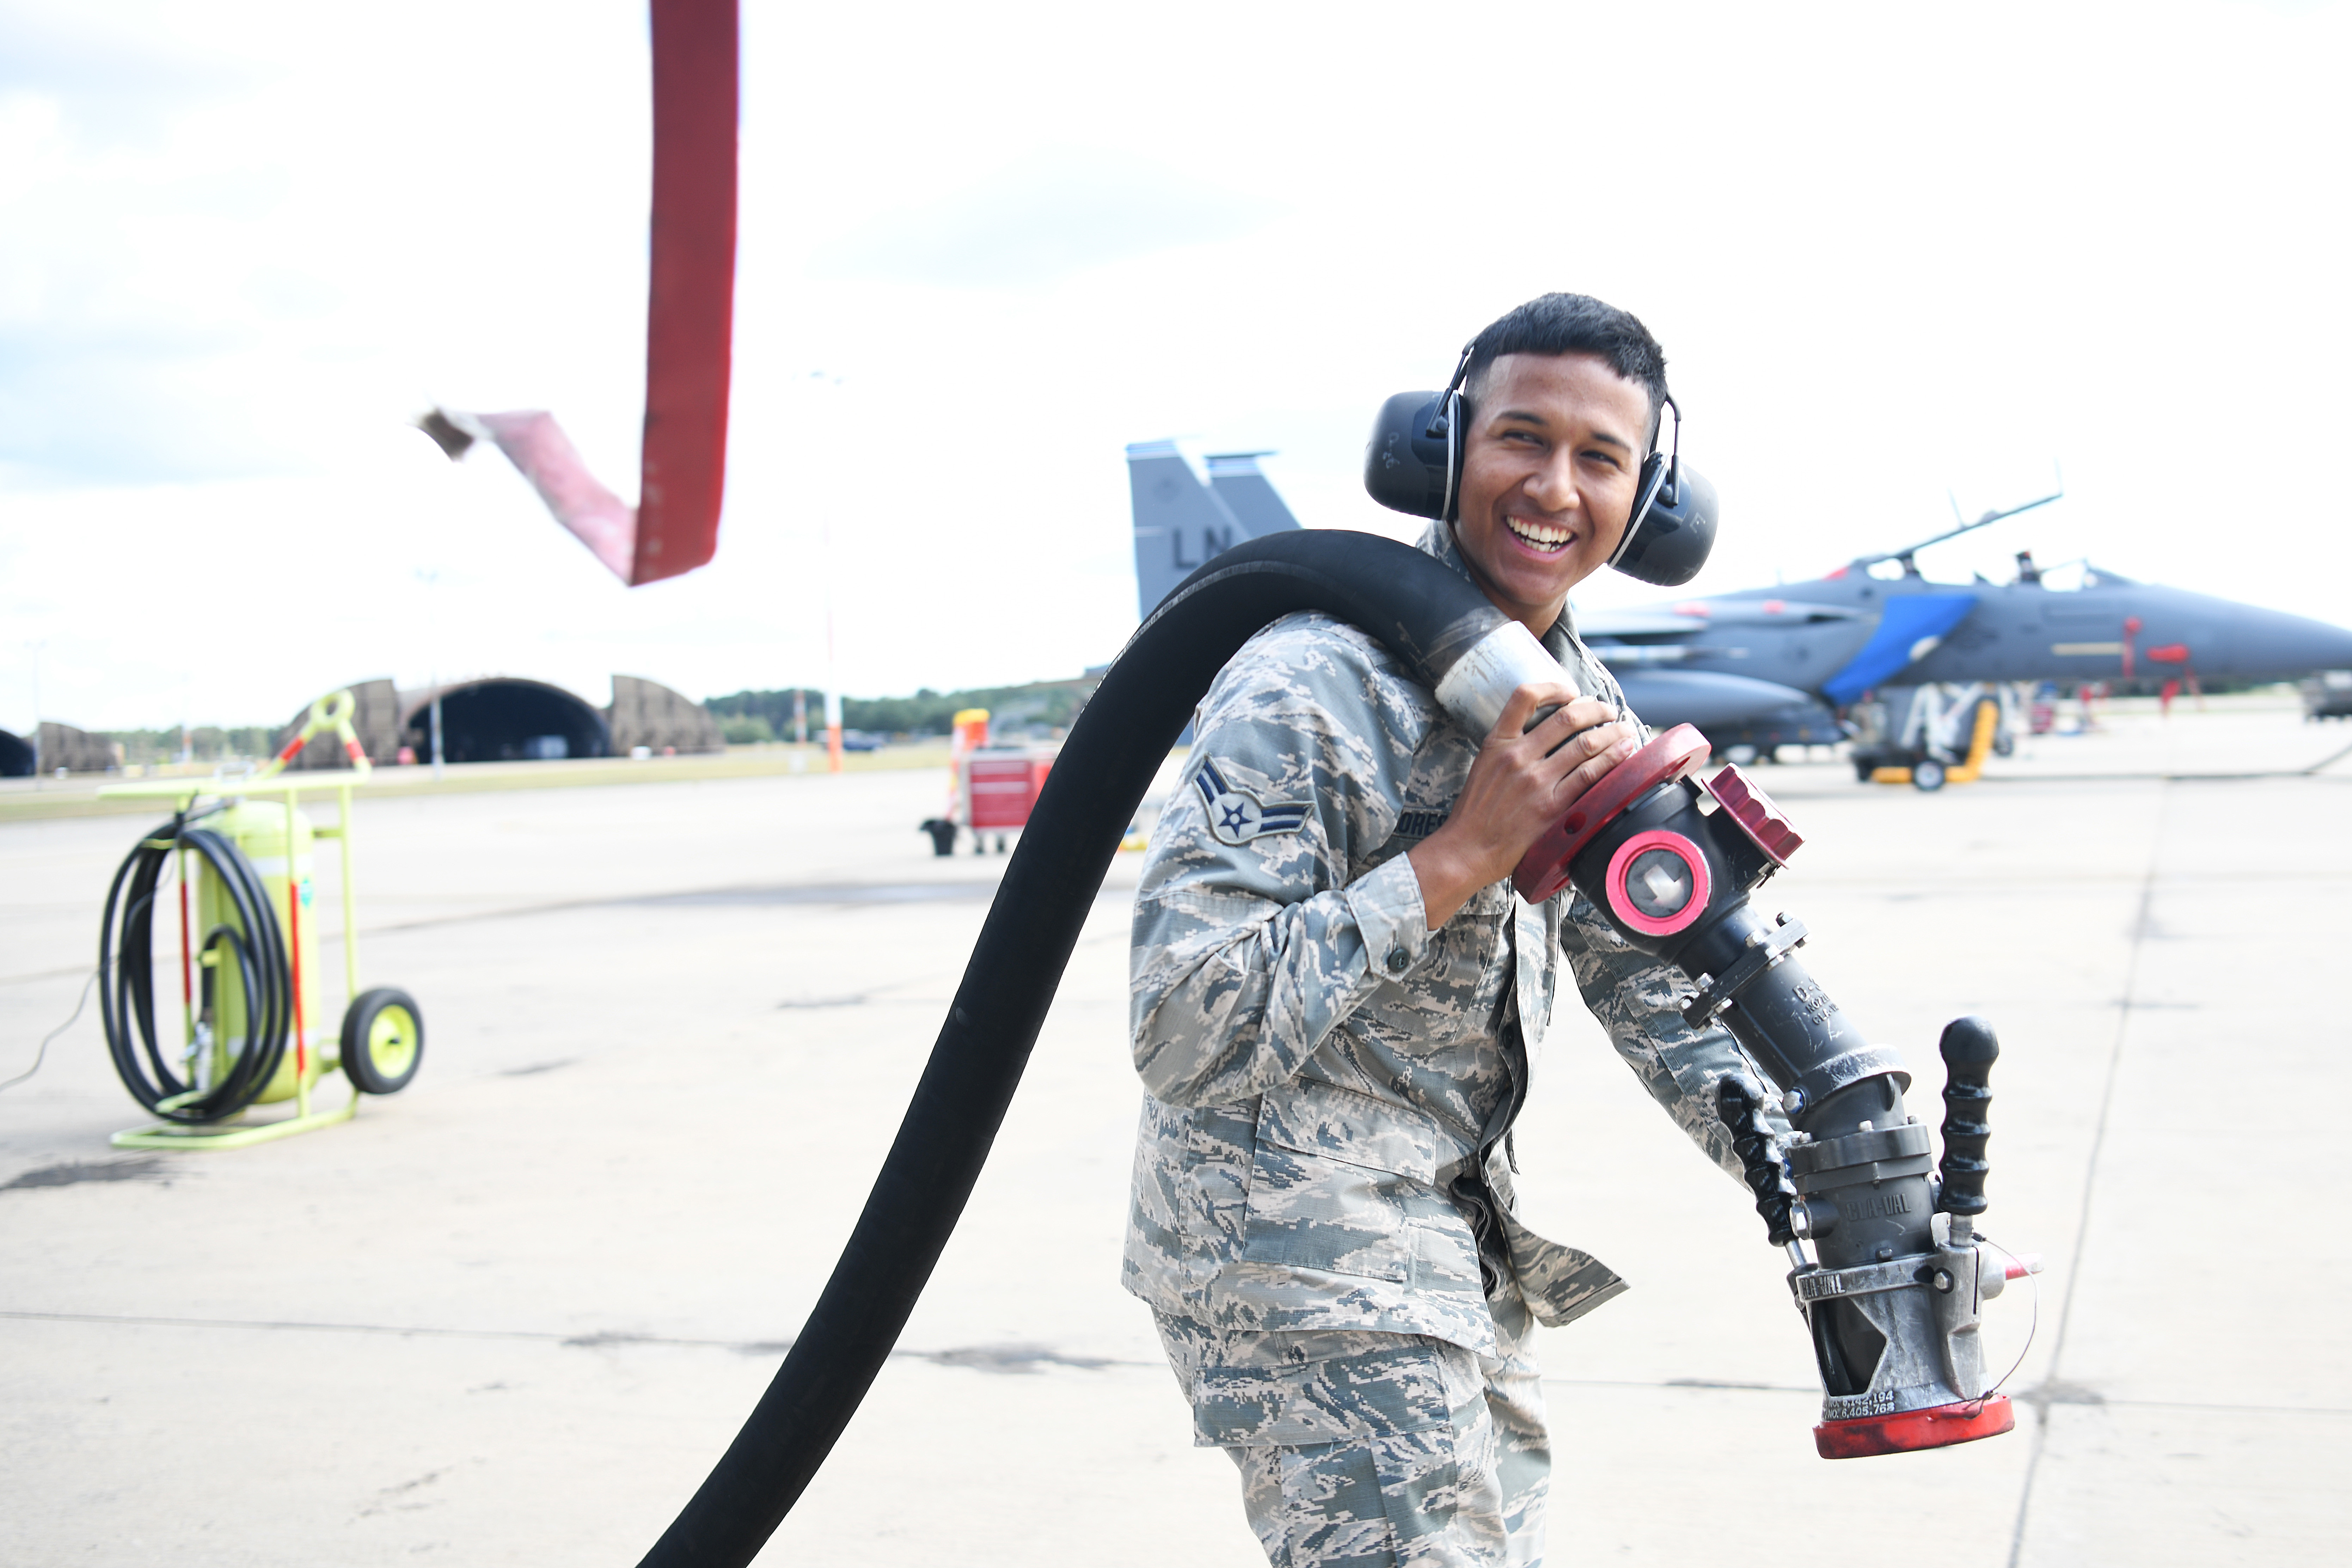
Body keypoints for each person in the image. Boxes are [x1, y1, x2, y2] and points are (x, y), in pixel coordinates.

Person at [1123, 293, 1774, 1567]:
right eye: (1521, 440)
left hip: (1448, 1246)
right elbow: (1180, 1023)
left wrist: (1834, 1178)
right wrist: (1462, 855)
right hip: (1293, 1244)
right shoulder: (1312, 679)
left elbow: (1649, 980)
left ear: (1649, 501)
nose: (1553, 486)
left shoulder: (1576, 695)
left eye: (1601, 459)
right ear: (1448, 448)